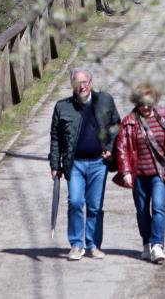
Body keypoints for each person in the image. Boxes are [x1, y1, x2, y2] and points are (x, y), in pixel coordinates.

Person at [49, 68, 122, 261]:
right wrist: (55, 164)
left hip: (99, 163)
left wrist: (109, 147)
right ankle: (76, 244)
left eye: (85, 82)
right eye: (77, 83)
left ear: (91, 82)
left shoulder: (105, 100)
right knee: (75, 202)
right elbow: (55, 138)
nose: (82, 86)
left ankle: (93, 245)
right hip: (75, 164)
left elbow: (116, 125)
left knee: (95, 206)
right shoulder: (62, 107)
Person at [113, 84, 165, 265]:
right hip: (138, 174)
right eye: (141, 103)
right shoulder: (129, 121)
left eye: (148, 103)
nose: (145, 107)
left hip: (159, 174)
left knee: (159, 206)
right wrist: (126, 172)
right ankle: (146, 243)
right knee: (142, 211)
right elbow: (121, 148)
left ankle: (157, 245)